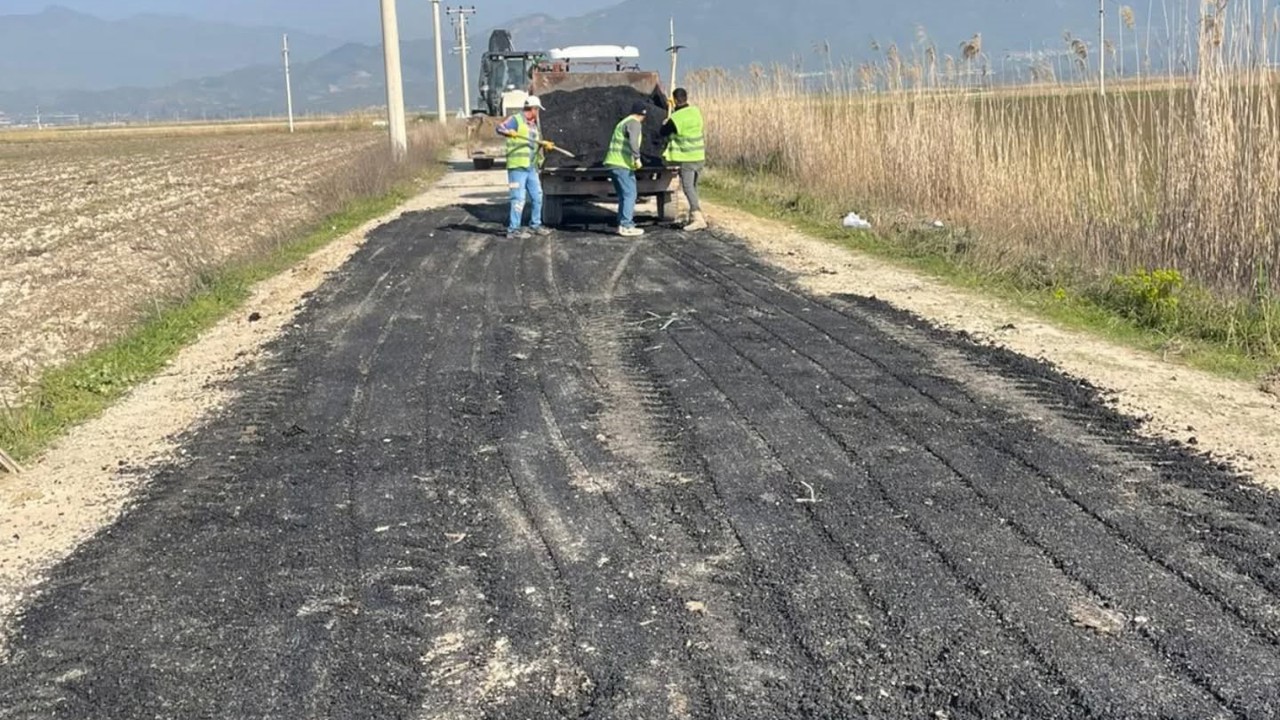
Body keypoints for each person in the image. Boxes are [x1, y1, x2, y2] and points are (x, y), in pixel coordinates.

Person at [496, 96, 557, 239]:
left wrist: (543, 144)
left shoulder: (533, 125)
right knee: (518, 198)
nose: (538, 112)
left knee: (538, 196)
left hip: (531, 167)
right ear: (533, 109)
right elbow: (499, 128)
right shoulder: (516, 120)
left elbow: (534, 143)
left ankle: (535, 225)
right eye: (537, 110)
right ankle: (513, 230)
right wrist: (508, 131)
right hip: (517, 167)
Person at [661, 87, 708, 231]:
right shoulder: (695, 111)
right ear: (686, 98)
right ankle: (692, 216)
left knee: (688, 187)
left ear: (675, 100)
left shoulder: (676, 119)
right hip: (699, 155)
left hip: (687, 157)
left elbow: (663, 132)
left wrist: (666, 121)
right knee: (693, 187)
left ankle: (698, 218)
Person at [603, 101, 649, 237]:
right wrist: (637, 158)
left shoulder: (623, 122)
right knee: (630, 194)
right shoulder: (635, 123)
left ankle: (622, 224)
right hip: (622, 164)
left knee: (624, 195)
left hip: (612, 163)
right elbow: (633, 141)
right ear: (642, 114)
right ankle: (627, 225)